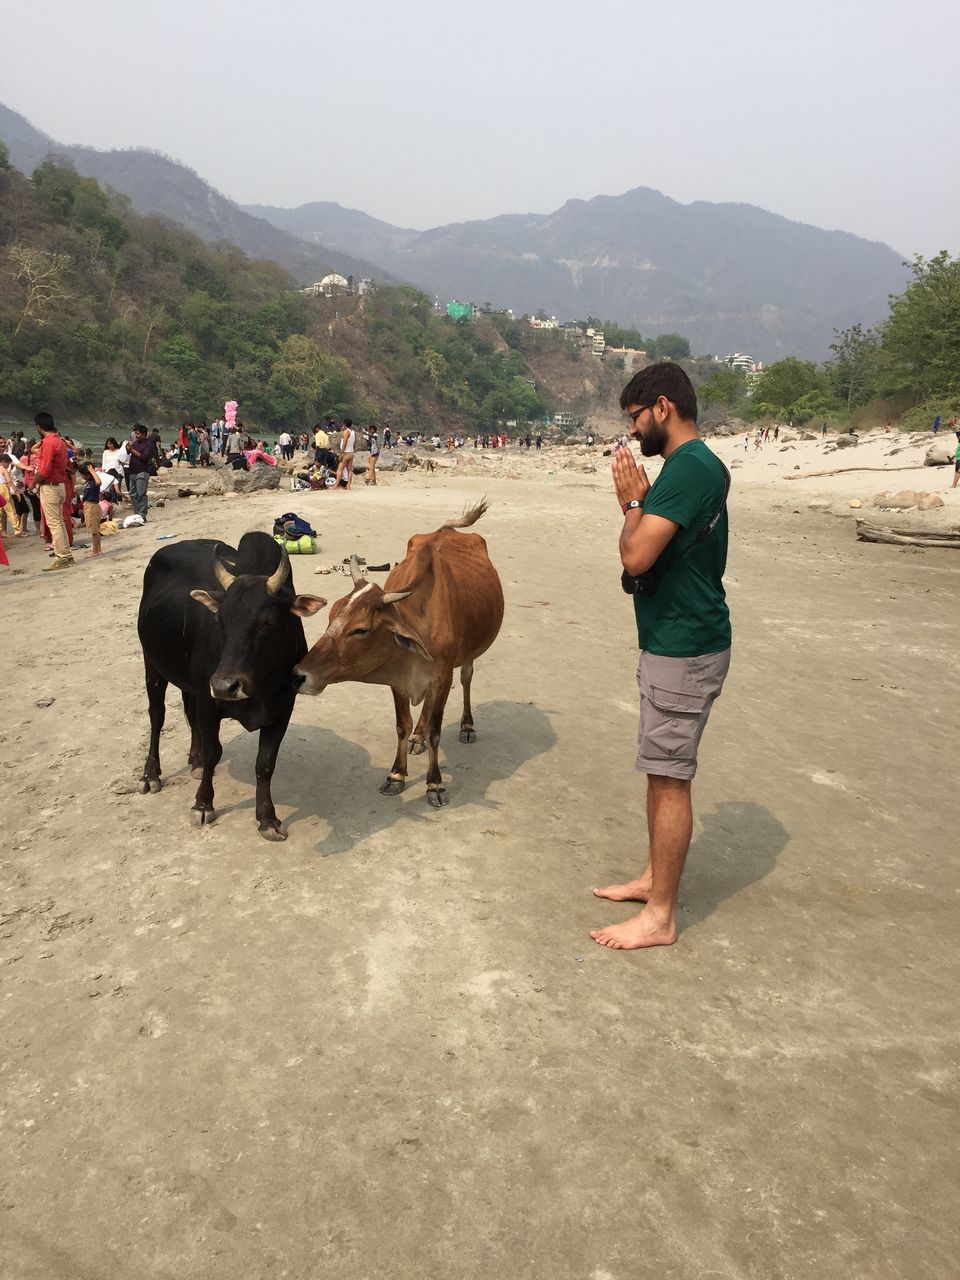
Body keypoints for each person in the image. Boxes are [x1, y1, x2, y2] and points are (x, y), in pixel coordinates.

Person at [591, 363, 731, 950]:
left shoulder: (687, 469)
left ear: (663, 408)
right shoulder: (700, 467)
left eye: (636, 417)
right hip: (679, 640)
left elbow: (636, 557)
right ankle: (655, 878)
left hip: (683, 645)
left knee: (671, 779)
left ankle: (661, 916)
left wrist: (630, 503)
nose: (633, 432)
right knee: (660, 772)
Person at [34, 412, 74, 571]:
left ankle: (62, 557)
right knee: (60, 522)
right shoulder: (60, 442)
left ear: (39, 427)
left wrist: (32, 484)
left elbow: (43, 470)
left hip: (50, 485)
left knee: (54, 523)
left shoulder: (49, 443)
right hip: (60, 485)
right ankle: (66, 554)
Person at [128, 424, 155, 520]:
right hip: (132, 472)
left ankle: (142, 515)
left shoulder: (148, 444)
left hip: (142, 472)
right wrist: (128, 448)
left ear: (144, 434)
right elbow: (129, 453)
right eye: (135, 433)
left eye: (138, 434)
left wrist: (132, 450)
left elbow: (145, 457)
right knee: (133, 495)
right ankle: (136, 513)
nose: (136, 435)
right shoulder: (135, 444)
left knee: (141, 494)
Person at [78, 461, 102, 556]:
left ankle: (95, 551)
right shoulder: (89, 482)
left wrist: (92, 471)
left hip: (92, 506)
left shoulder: (94, 481)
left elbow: (99, 482)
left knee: (94, 531)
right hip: (89, 505)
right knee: (95, 529)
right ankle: (97, 549)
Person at [335, 418, 356, 490]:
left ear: (344, 424)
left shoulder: (346, 432)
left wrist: (341, 453)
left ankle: (336, 486)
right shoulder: (353, 432)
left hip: (346, 453)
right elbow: (354, 443)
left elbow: (344, 443)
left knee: (340, 469)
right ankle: (348, 486)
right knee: (349, 470)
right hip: (351, 452)